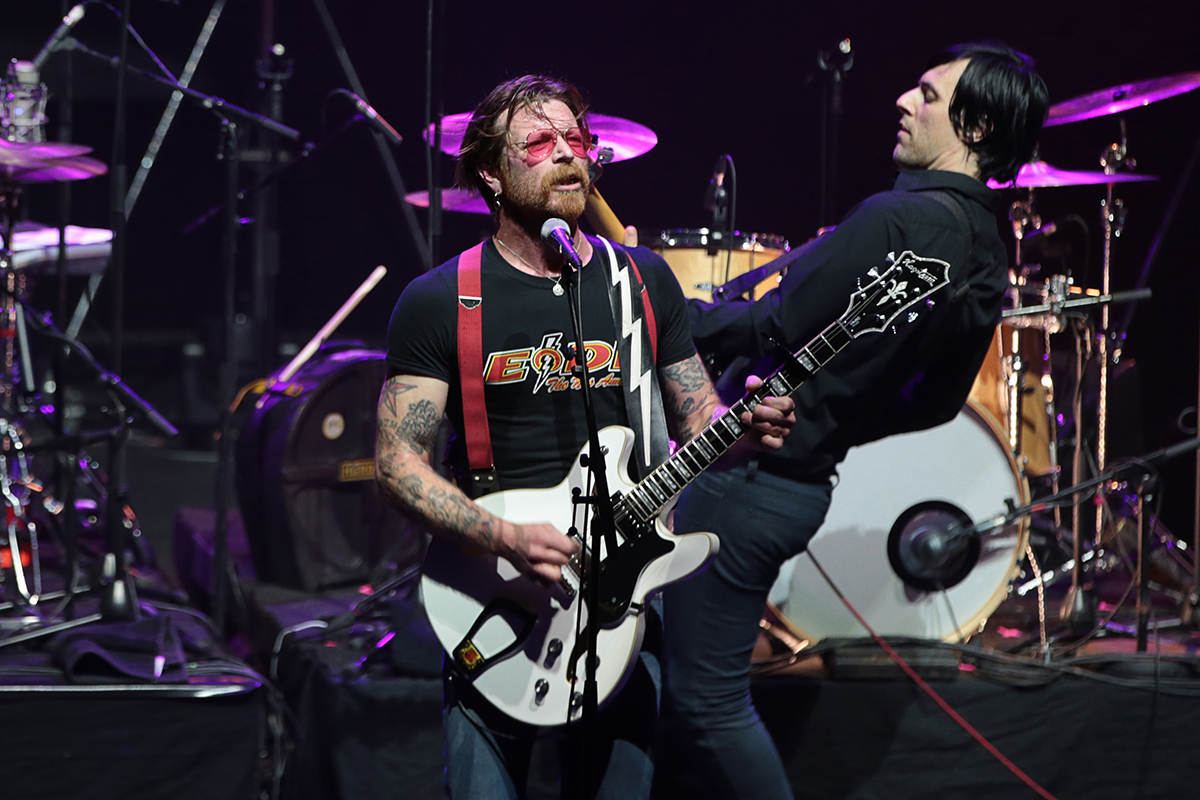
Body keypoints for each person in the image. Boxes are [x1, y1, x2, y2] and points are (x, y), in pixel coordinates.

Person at [374, 75, 795, 799]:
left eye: (577, 140)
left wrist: (746, 430)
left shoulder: (643, 282)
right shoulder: (442, 298)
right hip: (497, 595)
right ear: (489, 173)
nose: (569, 156)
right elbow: (396, 462)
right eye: (540, 142)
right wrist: (500, 537)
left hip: (625, 595)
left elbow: (701, 427)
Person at [660, 42, 1050, 799]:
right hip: (796, 489)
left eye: (929, 96)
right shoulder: (984, 251)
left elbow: (768, 329)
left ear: (974, 127)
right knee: (676, 685)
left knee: (704, 703)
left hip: (744, 480)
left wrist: (658, 312)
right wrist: (831, 426)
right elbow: (935, 403)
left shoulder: (897, 218)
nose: (904, 101)